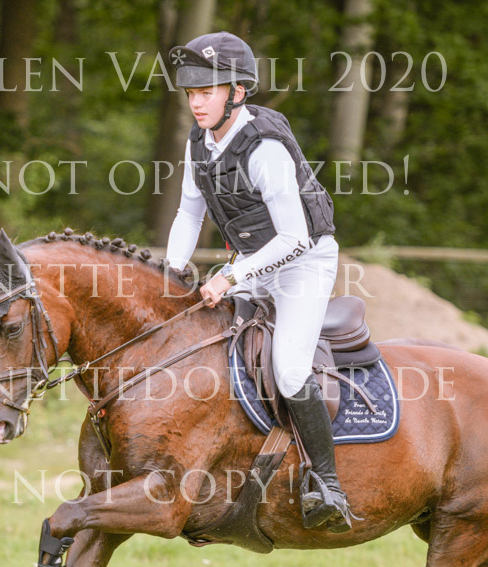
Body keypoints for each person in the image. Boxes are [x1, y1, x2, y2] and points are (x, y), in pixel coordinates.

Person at [166, 31, 353, 532]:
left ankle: (328, 485)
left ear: (238, 92)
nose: (196, 102)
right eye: (191, 92)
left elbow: (293, 239)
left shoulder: (264, 149)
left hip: (303, 261)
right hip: (254, 261)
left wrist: (229, 275)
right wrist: (173, 268)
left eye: (207, 92)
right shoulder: (199, 142)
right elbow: (188, 212)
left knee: (289, 370)